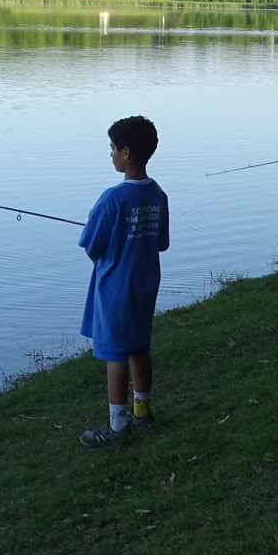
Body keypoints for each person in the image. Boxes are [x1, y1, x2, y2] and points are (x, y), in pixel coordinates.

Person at [79, 115, 170, 448]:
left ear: (127, 152)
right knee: (139, 348)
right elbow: (160, 242)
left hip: (115, 291)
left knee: (114, 354)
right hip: (145, 288)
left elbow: (91, 245)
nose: (112, 155)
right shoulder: (158, 194)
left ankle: (117, 427)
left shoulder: (112, 199)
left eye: (113, 149)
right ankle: (142, 413)